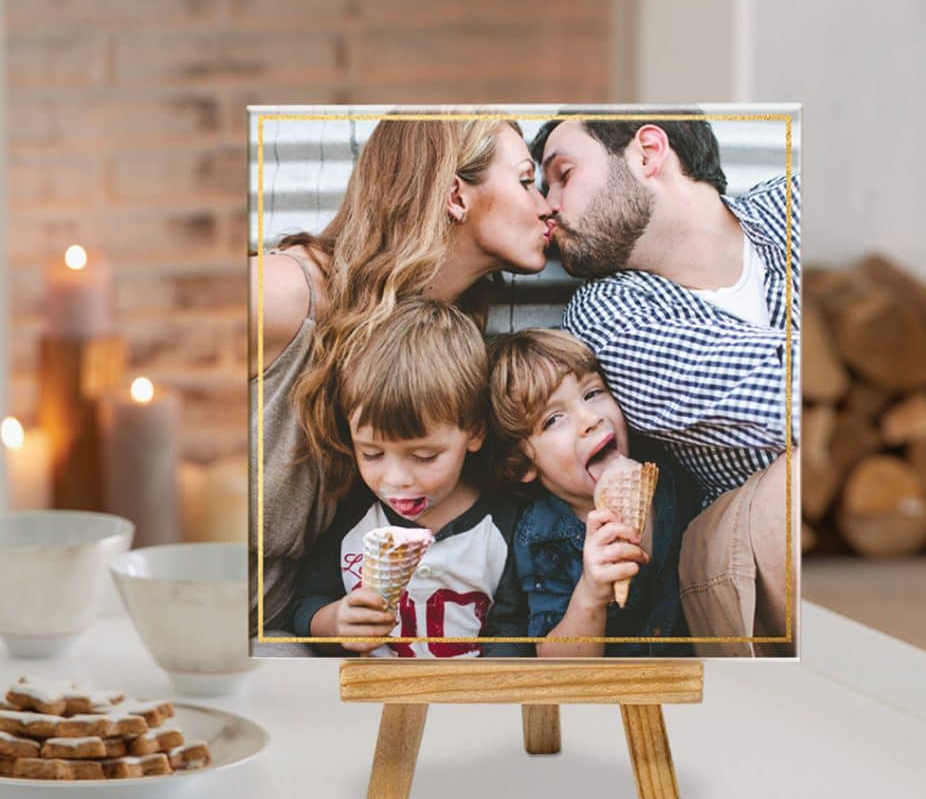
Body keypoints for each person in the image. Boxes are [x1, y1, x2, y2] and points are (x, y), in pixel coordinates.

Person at [249, 116, 553, 642]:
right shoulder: (284, 294)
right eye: (527, 181)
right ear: (457, 195)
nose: (546, 206)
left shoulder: (439, 345)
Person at [529, 113, 800, 653]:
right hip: (744, 532)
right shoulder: (608, 313)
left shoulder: (791, 203)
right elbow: (792, 400)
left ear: (649, 152)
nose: (546, 207)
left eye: (563, 174)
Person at [291, 300, 530, 658]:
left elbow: (514, 633)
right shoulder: (352, 520)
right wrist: (334, 622)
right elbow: (303, 605)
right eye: (371, 454)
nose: (396, 479)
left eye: (424, 456)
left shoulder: (506, 527)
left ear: (475, 433)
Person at [489, 329, 691, 658]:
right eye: (553, 419)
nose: (590, 419)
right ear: (521, 464)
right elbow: (557, 667)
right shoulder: (542, 540)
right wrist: (590, 595)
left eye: (592, 393)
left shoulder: (672, 474)